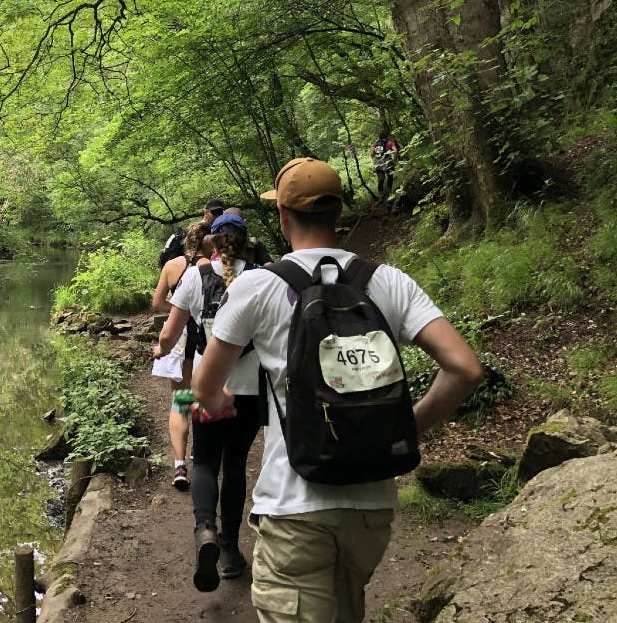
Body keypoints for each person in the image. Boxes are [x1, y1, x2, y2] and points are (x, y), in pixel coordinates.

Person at [192, 157, 483, 623]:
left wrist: (221, 401)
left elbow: (204, 387)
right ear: (340, 215)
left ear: (283, 217)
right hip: (371, 504)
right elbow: (465, 369)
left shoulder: (256, 287)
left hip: (293, 502)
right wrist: (407, 428)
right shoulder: (388, 281)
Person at [152, 213, 262, 591]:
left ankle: (205, 531)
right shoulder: (263, 276)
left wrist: (159, 349)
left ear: (212, 244)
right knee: (235, 464)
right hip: (250, 388)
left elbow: (170, 334)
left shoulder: (195, 279)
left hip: (206, 384)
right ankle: (230, 549)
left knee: (205, 460)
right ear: (247, 241)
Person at [151, 220, 213, 490]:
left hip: (179, 339)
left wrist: (178, 309)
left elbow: (157, 303)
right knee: (200, 398)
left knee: (180, 401)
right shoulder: (212, 268)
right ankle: (200, 454)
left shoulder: (172, 266)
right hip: (205, 339)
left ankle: (179, 465)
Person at [371, 130, 398, 199]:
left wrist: (376, 160)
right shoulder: (390, 143)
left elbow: (371, 154)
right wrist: (394, 160)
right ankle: (389, 193)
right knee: (390, 177)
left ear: (379, 136)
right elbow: (395, 151)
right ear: (387, 136)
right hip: (388, 162)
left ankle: (381, 195)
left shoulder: (375, 143)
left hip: (378, 163)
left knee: (381, 179)